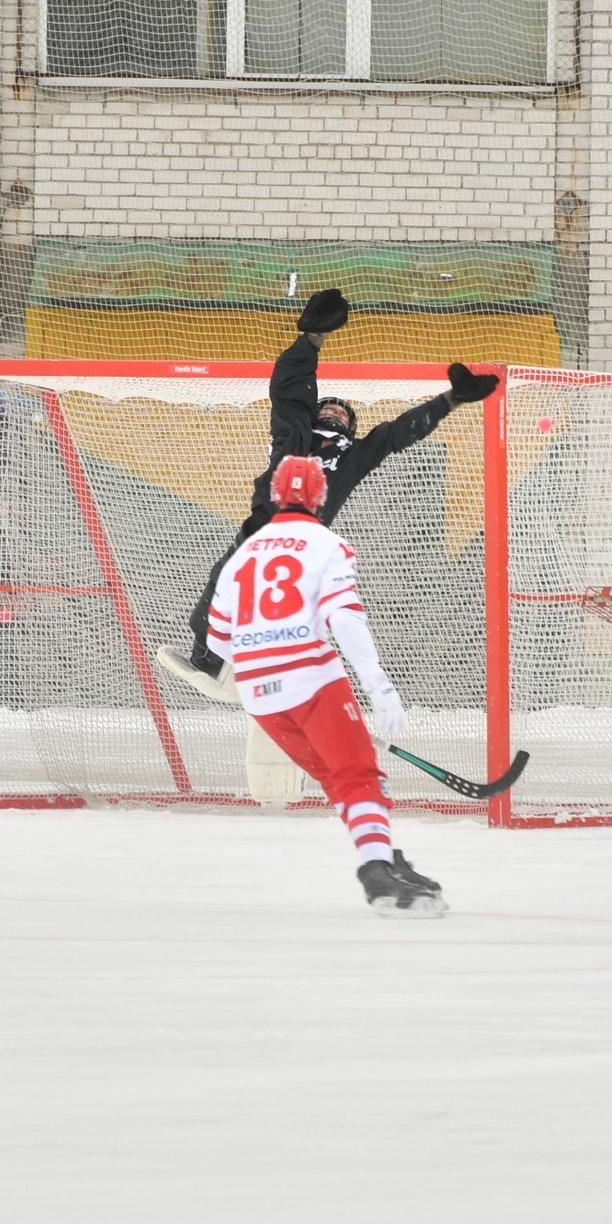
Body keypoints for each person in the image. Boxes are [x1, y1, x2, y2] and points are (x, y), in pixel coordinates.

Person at [159, 285, 501, 700]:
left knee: (294, 611)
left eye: (343, 412)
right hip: (262, 528)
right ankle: (207, 657)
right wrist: (312, 337)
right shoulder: (294, 433)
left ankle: (289, 676)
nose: (335, 411)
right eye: (329, 407)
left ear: (351, 427)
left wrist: (449, 399)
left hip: (307, 542)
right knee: (222, 584)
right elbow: (288, 389)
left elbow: (398, 433)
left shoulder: (355, 454)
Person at [206, 452, 444, 915]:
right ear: (320, 495)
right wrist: (378, 688)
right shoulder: (325, 543)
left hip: (259, 693)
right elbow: (344, 618)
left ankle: (385, 856)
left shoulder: (241, 557)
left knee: (339, 778)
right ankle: (377, 876)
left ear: (276, 494)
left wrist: (264, 675)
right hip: (312, 680)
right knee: (357, 775)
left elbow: (219, 640)